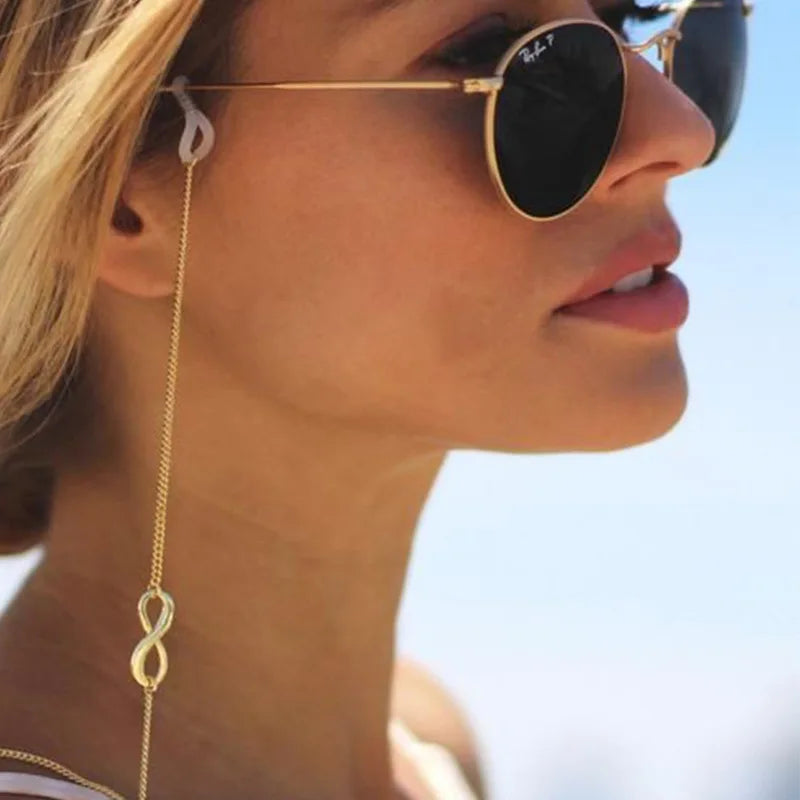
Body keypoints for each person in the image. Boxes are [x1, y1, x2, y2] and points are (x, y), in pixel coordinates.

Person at [0, 1, 750, 798]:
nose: (681, 130)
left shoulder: (427, 748)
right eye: (493, 50)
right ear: (115, 198)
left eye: (626, 20)